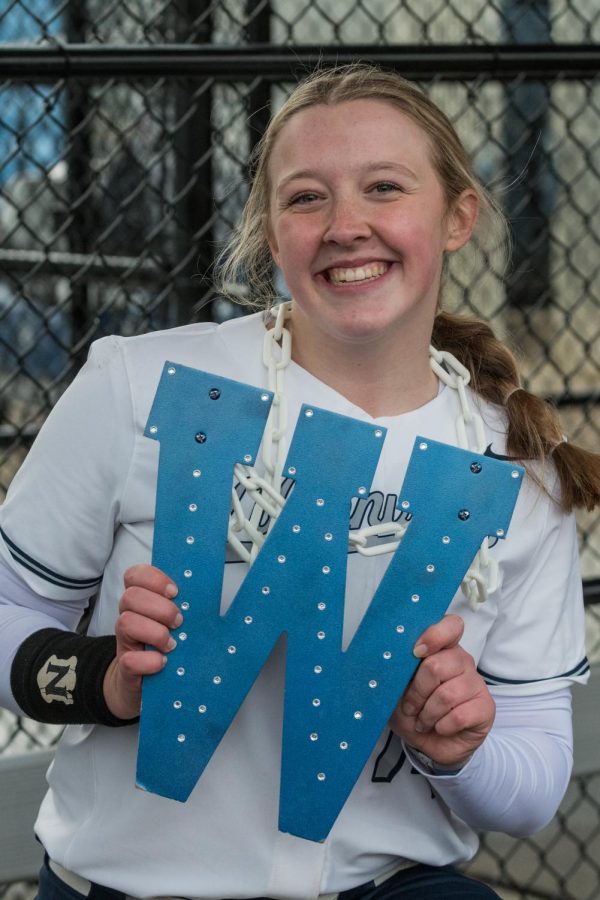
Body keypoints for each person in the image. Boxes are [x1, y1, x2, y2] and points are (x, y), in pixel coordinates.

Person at [1, 63, 599, 900]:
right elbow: (11, 615)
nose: (346, 224)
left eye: (384, 187)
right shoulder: (140, 383)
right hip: (133, 887)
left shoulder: (515, 466)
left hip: (394, 884)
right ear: (271, 233)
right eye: (306, 197)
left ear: (457, 215)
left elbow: (532, 786)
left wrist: (457, 746)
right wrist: (107, 678)